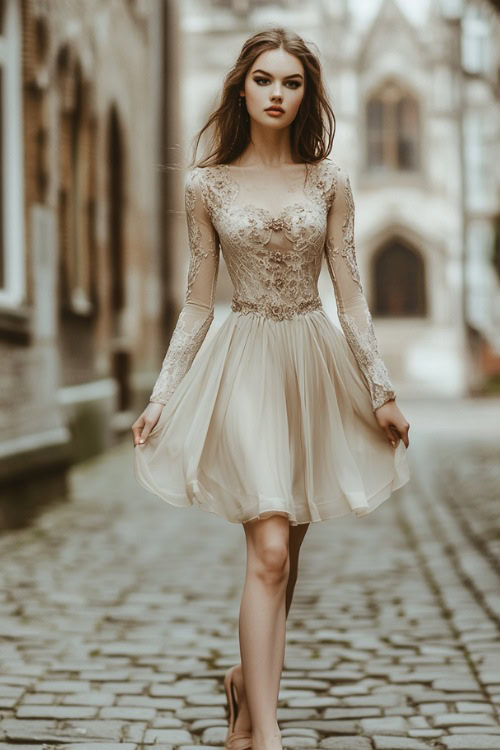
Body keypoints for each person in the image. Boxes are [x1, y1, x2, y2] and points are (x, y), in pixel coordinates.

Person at [132, 26, 411, 750]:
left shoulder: (331, 181)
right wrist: (163, 394)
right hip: (246, 364)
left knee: (286, 558)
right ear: (242, 87)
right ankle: (270, 736)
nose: (277, 94)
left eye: (291, 82)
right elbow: (198, 301)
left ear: (307, 93)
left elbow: (351, 296)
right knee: (271, 552)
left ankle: (245, 696)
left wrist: (380, 389)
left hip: (313, 365)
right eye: (264, 80)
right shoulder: (207, 184)